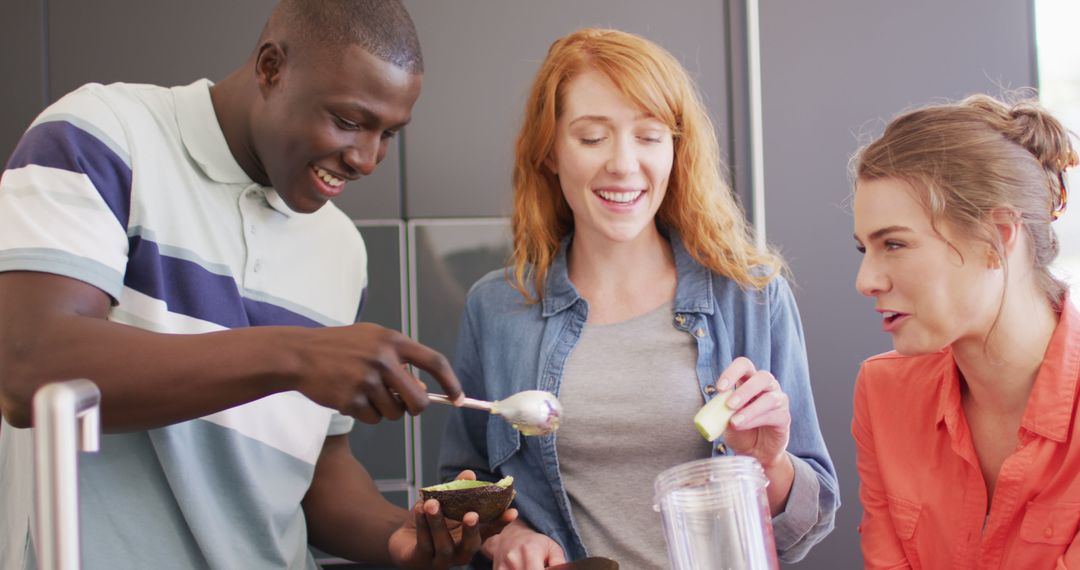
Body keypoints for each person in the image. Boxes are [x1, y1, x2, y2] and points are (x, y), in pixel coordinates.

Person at [0, 1, 515, 568]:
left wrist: (404, 538)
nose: (367, 159)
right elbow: (31, 371)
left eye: (388, 133)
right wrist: (294, 354)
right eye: (348, 120)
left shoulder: (340, 249)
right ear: (271, 68)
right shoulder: (101, 135)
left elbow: (316, 470)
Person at [438, 28, 839, 569]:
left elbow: (805, 527)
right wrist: (504, 537)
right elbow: (464, 486)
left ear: (676, 149)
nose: (624, 164)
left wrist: (770, 464)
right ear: (550, 151)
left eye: (649, 136)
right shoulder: (498, 308)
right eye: (592, 136)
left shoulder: (752, 296)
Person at [851, 94, 1080, 568]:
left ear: (997, 236)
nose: (866, 281)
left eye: (894, 244)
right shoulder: (883, 391)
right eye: (864, 250)